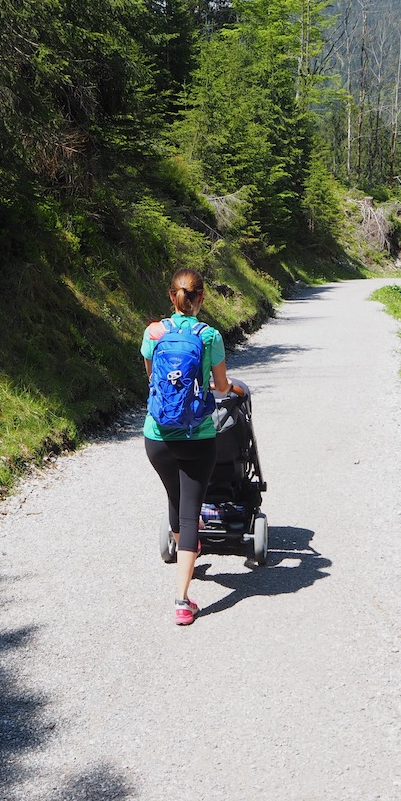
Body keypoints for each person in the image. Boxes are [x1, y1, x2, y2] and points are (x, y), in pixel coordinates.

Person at [142, 267, 239, 626]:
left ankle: (186, 552)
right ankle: (183, 600)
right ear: (201, 299)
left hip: (158, 437)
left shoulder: (152, 332)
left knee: (175, 497)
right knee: (190, 510)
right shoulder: (209, 335)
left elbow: (153, 380)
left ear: (172, 297)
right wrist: (231, 391)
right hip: (196, 438)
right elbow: (221, 385)